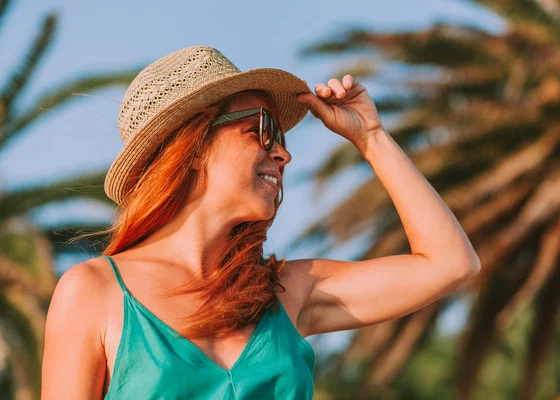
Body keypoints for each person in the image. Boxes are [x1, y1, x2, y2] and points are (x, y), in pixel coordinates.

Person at [40, 45, 481, 399]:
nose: (283, 153)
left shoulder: (288, 293)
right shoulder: (94, 291)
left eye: (283, 138)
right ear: (192, 147)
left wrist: (371, 138)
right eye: (262, 130)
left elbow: (450, 264)